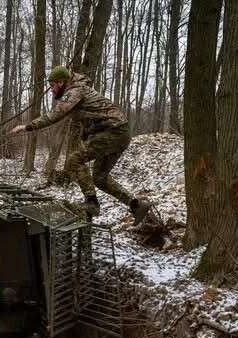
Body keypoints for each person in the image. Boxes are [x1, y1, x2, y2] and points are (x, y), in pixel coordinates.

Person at [10, 65, 150, 224]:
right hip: (118, 133)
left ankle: (91, 202)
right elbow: (89, 122)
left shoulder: (75, 91)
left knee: (74, 160)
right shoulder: (78, 91)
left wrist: (28, 126)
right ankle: (136, 205)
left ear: (61, 82)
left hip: (114, 131)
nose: (51, 90)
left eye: (52, 86)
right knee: (100, 178)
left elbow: (56, 114)